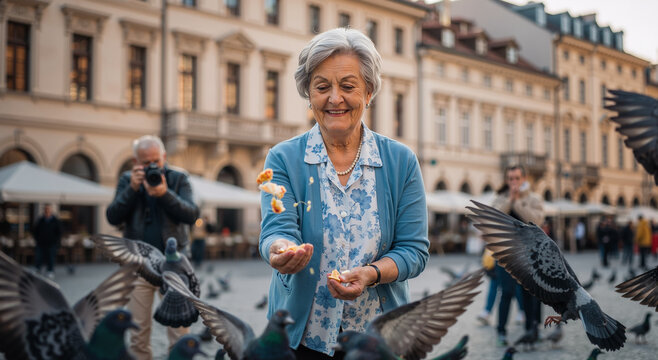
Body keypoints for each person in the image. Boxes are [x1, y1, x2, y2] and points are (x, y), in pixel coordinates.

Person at [258, 28, 429, 359]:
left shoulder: (401, 161)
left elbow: (414, 250)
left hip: (377, 341)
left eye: (348, 86)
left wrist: (371, 274)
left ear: (368, 93)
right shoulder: (283, 158)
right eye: (322, 87)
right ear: (309, 95)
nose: (334, 98)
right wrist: (281, 250)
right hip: (301, 338)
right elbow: (276, 230)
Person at [106, 135, 199, 360]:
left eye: (155, 161)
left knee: (179, 330)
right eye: (145, 162)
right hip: (138, 265)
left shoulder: (178, 178)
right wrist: (132, 189)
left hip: (175, 266)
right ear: (136, 161)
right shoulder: (128, 180)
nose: (151, 167)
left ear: (164, 157)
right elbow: (112, 216)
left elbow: (192, 214)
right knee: (138, 331)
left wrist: (165, 194)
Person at [491, 165, 544, 346]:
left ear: (523, 179)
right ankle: (501, 331)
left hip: (529, 255)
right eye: (510, 179)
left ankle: (531, 329)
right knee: (506, 292)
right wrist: (509, 200)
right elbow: (493, 219)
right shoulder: (500, 198)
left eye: (516, 178)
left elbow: (536, 221)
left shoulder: (533, 199)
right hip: (506, 255)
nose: (513, 182)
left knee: (530, 293)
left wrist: (518, 202)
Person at [33, 204, 62, 279]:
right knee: (39, 256)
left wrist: (56, 241)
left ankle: (50, 270)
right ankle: (37, 269)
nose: (47, 211)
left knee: (51, 257)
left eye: (48, 209)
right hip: (41, 242)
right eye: (46, 209)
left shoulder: (55, 221)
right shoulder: (41, 220)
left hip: (51, 243)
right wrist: (37, 239)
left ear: (51, 210)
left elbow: (59, 232)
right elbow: (35, 231)